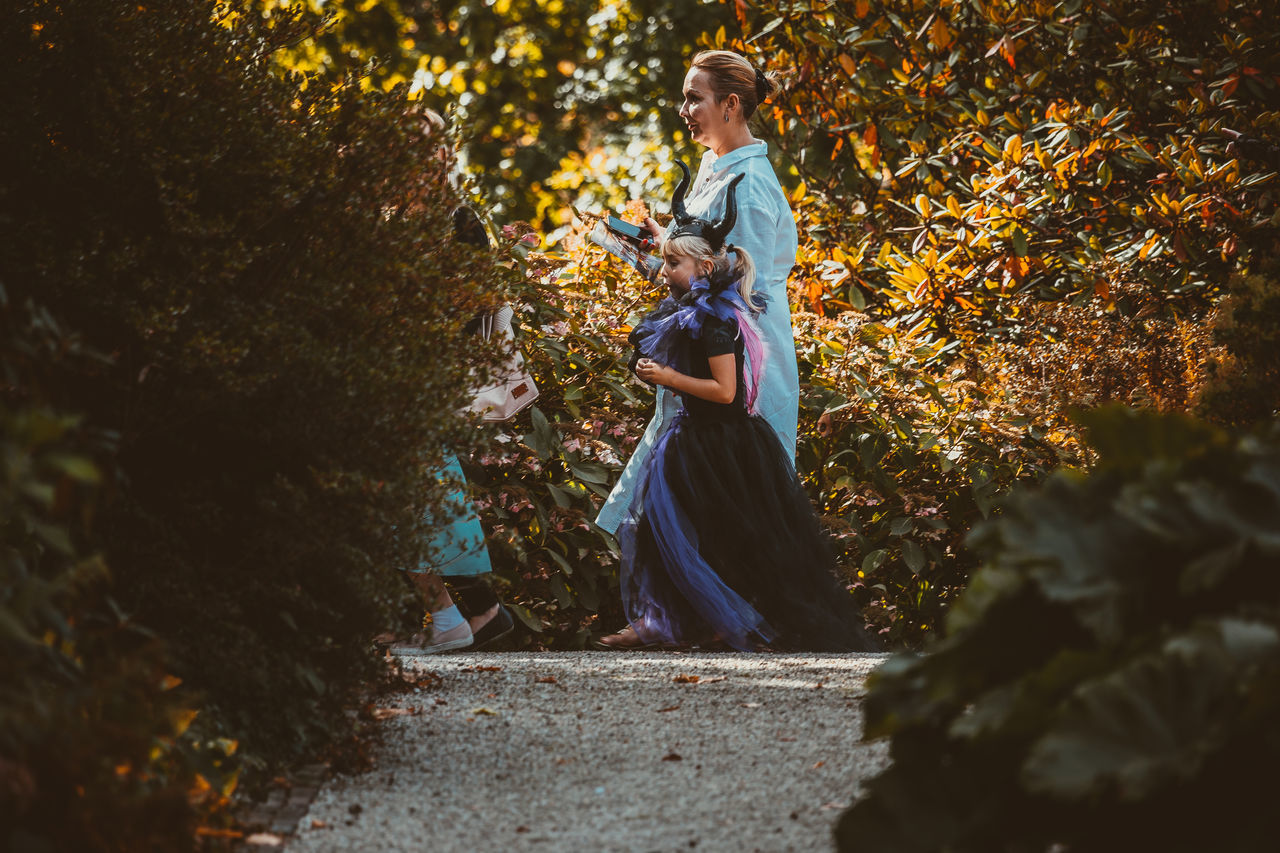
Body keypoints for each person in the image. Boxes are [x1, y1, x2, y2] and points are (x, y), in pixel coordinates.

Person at [596, 172, 875, 652]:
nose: (665, 273)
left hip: (721, 443)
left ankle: (727, 620)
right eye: (664, 262)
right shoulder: (688, 312)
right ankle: (669, 621)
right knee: (669, 531)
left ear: (705, 267)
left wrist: (670, 379)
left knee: (721, 535)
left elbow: (725, 391)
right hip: (690, 439)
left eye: (674, 263)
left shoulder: (715, 322)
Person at [595, 49, 800, 536]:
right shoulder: (716, 165)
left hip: (735, 375)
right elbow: (705, 259)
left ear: (730, 105)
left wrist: (653, 263)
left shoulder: (747, 188)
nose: (682, 110)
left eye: (693, 99)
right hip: (703, 367)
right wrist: (660, 245)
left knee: (723, 528)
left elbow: (731, 291)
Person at [388, 111, 514, 655]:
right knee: (423, 490)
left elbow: (472, 307)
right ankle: (479, 611)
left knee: (417, 486)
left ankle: (451, 616)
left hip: (430, 377)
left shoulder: (459, 222)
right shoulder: (389, 218)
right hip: (397, 372)